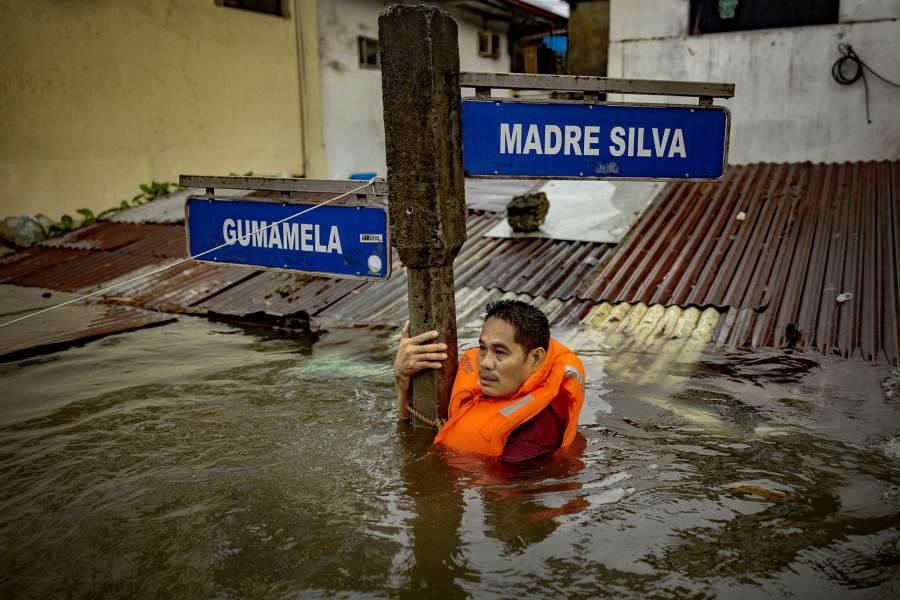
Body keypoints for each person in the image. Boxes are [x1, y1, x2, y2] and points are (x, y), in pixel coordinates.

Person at [394, 299, 585, 463]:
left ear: (535, 359)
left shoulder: (534, 436)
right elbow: (416, 426)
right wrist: (401, 380)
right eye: (483, 348)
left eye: (500, 352)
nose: (485, 363)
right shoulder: (482, 388)